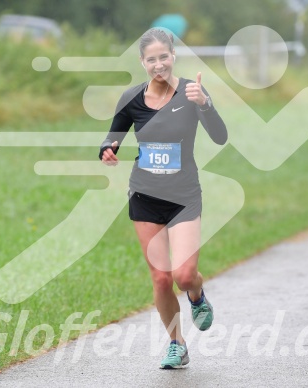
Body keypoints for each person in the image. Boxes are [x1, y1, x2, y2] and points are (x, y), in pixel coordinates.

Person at [99, 28, 227, 369]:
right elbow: (112, 137)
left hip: (184, 196)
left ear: (173, 57)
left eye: (164, 57)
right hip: (145, 195)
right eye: (151, 59)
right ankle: (176, 343)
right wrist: (108, 150)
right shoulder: (131, 98)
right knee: (160, 277)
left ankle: (197, 295)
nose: (159, 65)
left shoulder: (192, 92)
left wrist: (206, 104)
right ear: (143, 62)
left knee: (184, 275)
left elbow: (220, 136)